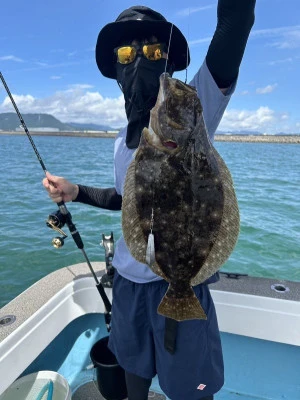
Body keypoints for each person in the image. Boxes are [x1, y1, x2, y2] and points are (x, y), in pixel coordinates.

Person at [43, 2, 256, 399]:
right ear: (116, 67)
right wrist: (76, 192)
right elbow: (127, 201)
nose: (139, 60)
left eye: (154, 51)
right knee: (132, 379)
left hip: (180, 282)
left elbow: (236, 24)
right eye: (127, 53)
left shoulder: (191, 109)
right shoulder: (122, 140)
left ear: (169, 62)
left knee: (192, 390)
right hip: (127, 284)